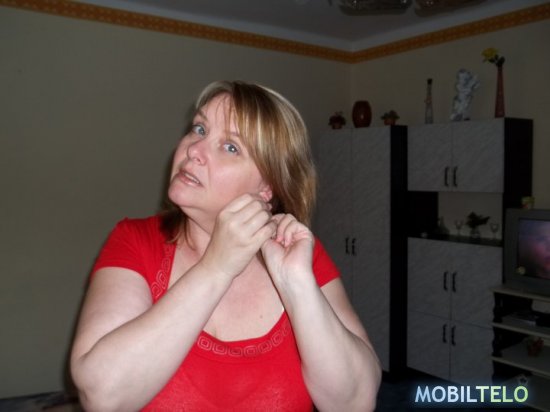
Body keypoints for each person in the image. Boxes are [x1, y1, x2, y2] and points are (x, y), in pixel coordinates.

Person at [70, 80, 381, 411]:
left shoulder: (300, 256)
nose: (194, 150)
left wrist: (297, 285)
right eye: (199, 129)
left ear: (267, 188)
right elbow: (103, 396)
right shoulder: (135, 241)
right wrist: (216, 268)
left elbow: (355, 403)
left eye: (230, 147)